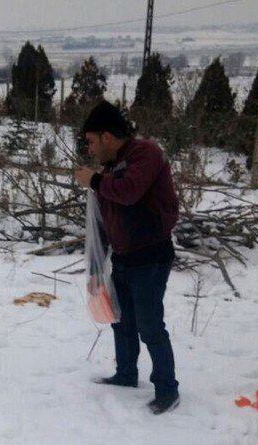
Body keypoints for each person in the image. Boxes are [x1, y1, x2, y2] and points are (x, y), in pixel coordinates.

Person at [74, 101, 180, 415]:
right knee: (120, 320)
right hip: (122, 259)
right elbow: (102, 222)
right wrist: (95, 267)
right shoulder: (108, 171)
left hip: (151, 258)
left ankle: (167, 389)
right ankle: (126, 375)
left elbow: (130, 191)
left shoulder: (145, 153)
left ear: (107, 136)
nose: (90, 149)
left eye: (91, 141)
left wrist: (94, 181)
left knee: (149, 326)